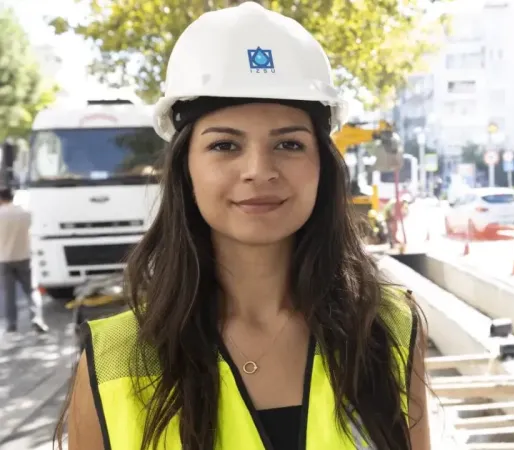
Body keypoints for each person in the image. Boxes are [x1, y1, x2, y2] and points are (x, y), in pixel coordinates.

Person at [55, 3, 431, 450]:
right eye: (225, 145)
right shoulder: (114, 359)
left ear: (322, 168)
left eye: (289, 143)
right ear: (185, 168)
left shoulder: (386, 328)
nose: (258, 170)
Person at [0, 187, 48, 334]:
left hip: (4, 259)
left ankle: (11, 324)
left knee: (8, 293)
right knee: (31, 290)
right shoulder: (25, 213)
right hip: (24, 256)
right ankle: (36, 319)